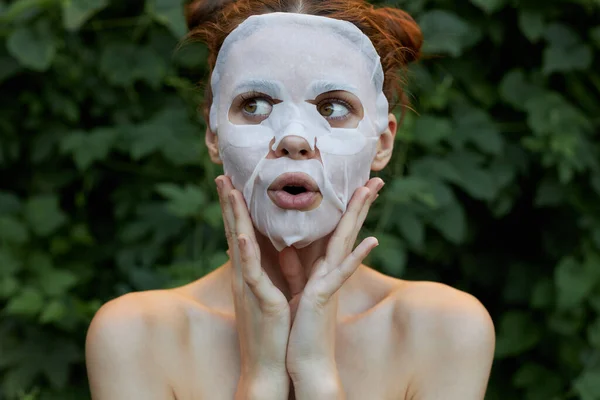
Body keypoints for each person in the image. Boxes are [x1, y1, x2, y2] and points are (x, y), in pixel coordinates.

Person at [85, 1, 496, 399]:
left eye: (333, 107)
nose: (294, 139)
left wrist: (316, 373)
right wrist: (260, 378)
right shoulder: (137, 336)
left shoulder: (444, 330)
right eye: (256, 105)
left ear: (383, 142)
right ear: (213, 133)